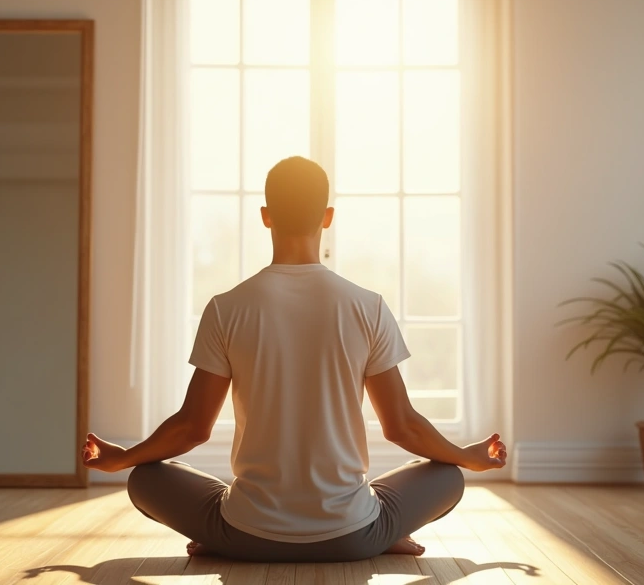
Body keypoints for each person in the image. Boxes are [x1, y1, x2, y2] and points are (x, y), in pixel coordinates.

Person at [82, 156, 507, 563]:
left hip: (245, 533)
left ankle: (221, 540)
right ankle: (383, 534)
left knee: (145, 478)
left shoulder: (226, 308)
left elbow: (192, 428)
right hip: (352, 536)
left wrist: (123, 458)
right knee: (447, 476)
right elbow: (401, 425)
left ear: (266, 216)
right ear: (327, 216)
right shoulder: (368, 306)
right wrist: (465, 457)